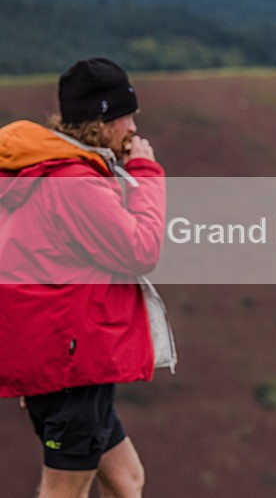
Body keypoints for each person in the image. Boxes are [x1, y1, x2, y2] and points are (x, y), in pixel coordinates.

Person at [0, 57, 166, 498]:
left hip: (64, 359)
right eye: (124, 116)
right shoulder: (74, 182)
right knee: (61, 491)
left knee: (127, 479)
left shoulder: (39, 171)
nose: (131, 128)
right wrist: (147, 174)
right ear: (101, 121)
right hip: (73, 364)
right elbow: (141, 250)